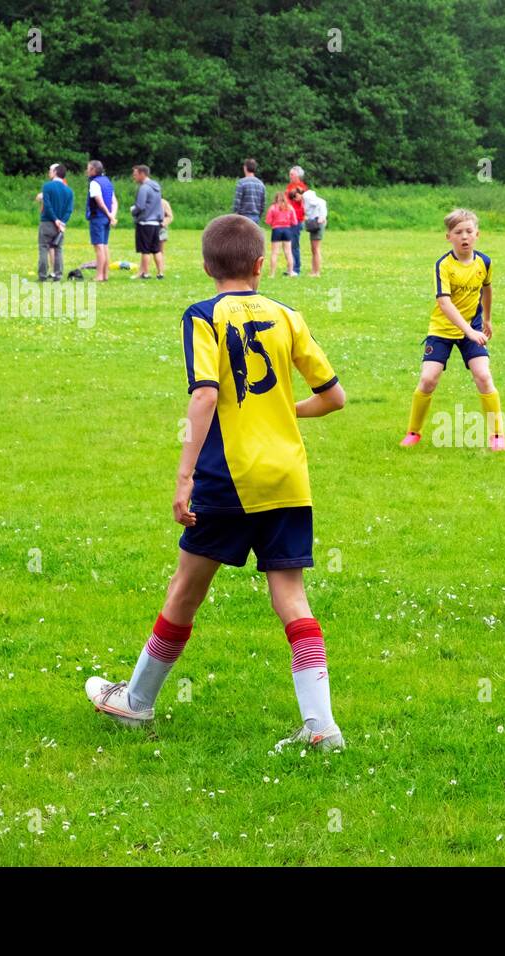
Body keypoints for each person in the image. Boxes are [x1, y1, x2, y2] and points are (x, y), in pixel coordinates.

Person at [84, 214, 348, 752]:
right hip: (286, 477)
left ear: (206, 266)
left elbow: (205, 394)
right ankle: (321, 726)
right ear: (259, 265)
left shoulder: (203, 316)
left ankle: (136, 701)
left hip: (228, 476)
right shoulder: (287, 314)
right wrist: (279, 411)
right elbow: (333, 397)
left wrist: (183, 477)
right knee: (292, 598)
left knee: (186, 588)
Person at [401, 209, 505, 451]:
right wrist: (468, 331)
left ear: (477, 234)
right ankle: (413, 432)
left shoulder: (484, 262)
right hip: (442, 329)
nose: (464, 237)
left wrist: (487, 319)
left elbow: (487, 289)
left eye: (469, 231)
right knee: (428, 379)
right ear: (449, 237)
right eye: (458, 232)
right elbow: (444, 302)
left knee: (483, 376)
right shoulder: (443, 265)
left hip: (474, 326)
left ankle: (497, 435)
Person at [35, 163, 73, 282]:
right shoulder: (69, 191)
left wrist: (55, 219)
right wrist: (62, 222)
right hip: (60, 226)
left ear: (55, 172)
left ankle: (42, 275)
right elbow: (69, 210)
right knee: (58, 249)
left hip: (47, 222)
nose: (49, 172)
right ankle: (58, 275)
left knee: (43, 248)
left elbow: (47, 205)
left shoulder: (47, 187)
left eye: (50, 170)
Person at [85, 159, 118, 282]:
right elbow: (114, 201)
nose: (87, 171)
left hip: (98, 217)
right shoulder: (107, 181)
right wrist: (112, 216)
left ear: (93, 170)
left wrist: (109, 216)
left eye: (88, 169)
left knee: (98, 247)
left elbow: (99, 202)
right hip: (106, 218)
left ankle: (99, 275)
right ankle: (105, 275)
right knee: (104, 246)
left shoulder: (94, 183)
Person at [130, 164, 164, 280]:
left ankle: (145, 273)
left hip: (145, 222)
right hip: (156, 223)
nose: (133, 177)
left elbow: (140, 206)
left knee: (145, 250)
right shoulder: (157, 187)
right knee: (156, 249)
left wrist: (132, 211)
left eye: (135, 174)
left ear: (142, 174)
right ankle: (160, 273)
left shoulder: (144, 188)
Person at [265, 191, 299, 277]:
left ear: (275, 199)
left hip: (276, 230)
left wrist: (274, 223)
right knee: (288, 252)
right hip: (287, 230)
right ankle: (291, 271)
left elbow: (268, 221)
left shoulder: (272, 208)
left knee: (275, 252)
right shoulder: (290, 208)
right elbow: (294, 222)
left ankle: (272, 274)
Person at [286, 165, 308, 277]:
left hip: (297, 219)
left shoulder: (302, 187)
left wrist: (300, 197)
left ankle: (296, 268)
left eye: (292, 174)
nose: (290, 176)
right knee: (288, 245)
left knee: (294, 244)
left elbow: (303, 202)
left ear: (298, 175)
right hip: (288, 219)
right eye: (290, 174)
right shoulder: (290, 186)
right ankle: (290, 268)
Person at [301, 187, 327, 277]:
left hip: (317, 226)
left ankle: (317, 272)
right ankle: (314, 270)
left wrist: (320, 218)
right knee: (314, 249)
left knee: (316, 249)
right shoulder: (320, 202)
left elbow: (322, 216)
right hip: (314, 226)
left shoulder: (319, 203)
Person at [232, 158, 266, 224]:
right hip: (256, 217)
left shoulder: (241, 182)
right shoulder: (261, 184)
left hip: (243, 216)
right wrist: (259, 215)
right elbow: (263, 204)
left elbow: (237, 202)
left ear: (245, 168)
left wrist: (235, 215)